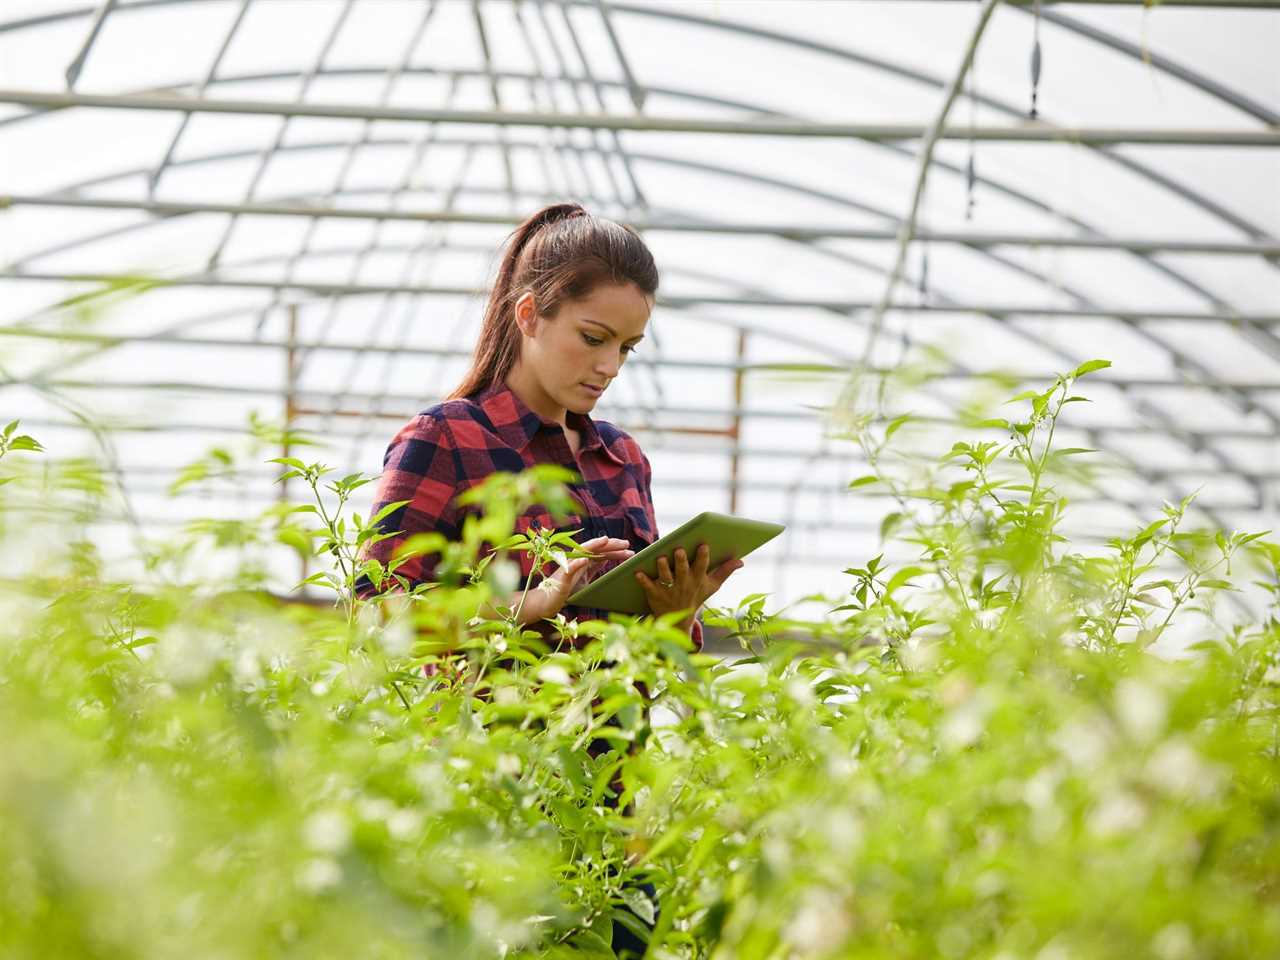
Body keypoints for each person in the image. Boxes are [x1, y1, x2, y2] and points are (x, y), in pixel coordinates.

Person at [356, 202, 745, 955]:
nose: (608, 367)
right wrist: (538, 601)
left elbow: (651, 660)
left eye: (628, 349)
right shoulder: (449, 438)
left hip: (612, 805)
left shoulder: (623, 460)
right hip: (487, 798)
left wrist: (675, 612)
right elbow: (376, 614)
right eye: (593, 339)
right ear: (531, 314)